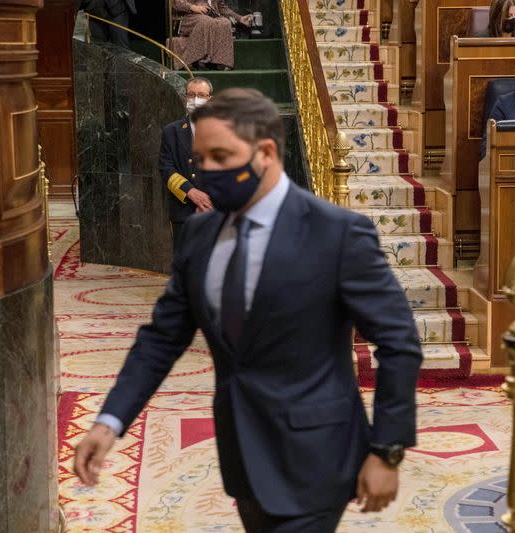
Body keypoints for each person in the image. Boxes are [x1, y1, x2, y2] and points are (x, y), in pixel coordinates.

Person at [74, 88, 423, 532]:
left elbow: (399, 342)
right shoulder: (199, 237)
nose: (208, 171)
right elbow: (162, 338)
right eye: (201, 159)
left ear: (266, 152)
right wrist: (110, 421)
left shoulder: (337, 234)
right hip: (242, 455)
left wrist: (387, 450)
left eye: (222, 156)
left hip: (317, 455)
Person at [159, 77, 215, 253]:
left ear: (210, 99)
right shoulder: (171, 131)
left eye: (201, 95)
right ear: (185, 98)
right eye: (191, 95)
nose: (196, 99)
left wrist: (208, 202)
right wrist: (192, 193)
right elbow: (166, 169)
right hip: (184, 210)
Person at [173, 0, 253, 70]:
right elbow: (176, 2)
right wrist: (193, 7)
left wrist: (239, 18)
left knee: (225, 22)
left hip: (210, 17)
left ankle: (220, 62)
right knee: (207, 22)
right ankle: (199, 60)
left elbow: (222, 8)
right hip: (189, 17)